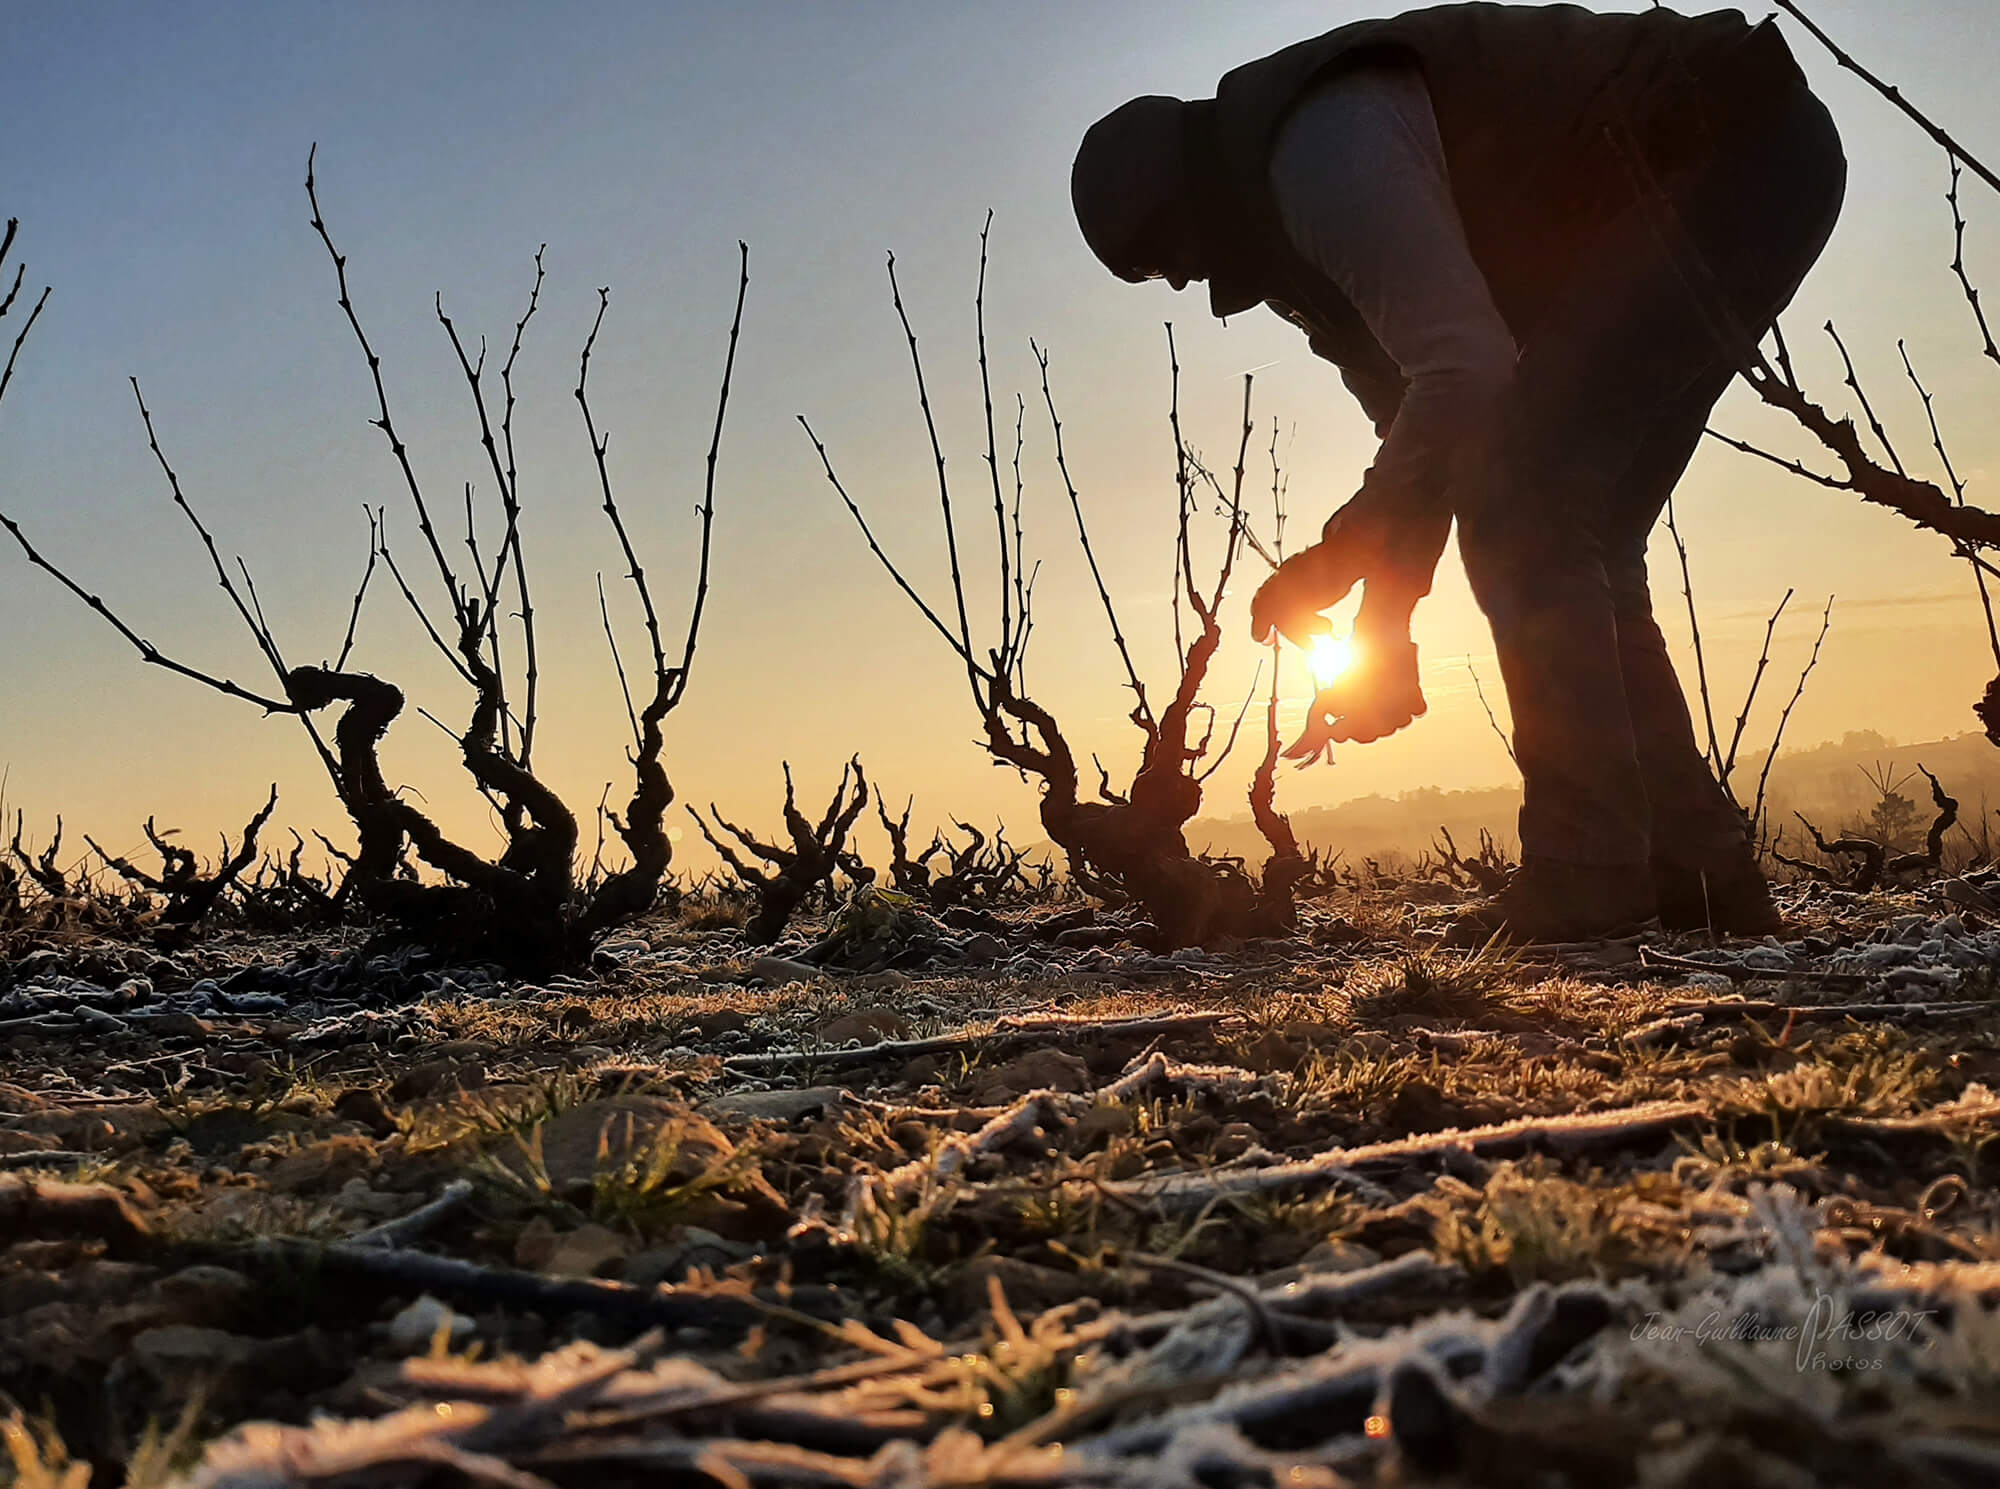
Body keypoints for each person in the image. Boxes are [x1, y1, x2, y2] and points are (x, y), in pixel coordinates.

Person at [1069, 3, 1846, 941]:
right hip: (1738, 166)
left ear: (1185, 191)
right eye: (1152, 277)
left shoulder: (1321, 158)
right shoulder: (1291, 247)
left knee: (1530, 507)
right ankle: (1700, 874)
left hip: (1735, 152)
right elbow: (1425, 429)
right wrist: (1382, 623)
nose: (1184, 282)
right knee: (1574, 523)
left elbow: (1468, 373)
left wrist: (1339, 553)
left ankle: (1588, 870)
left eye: (1165, 257)